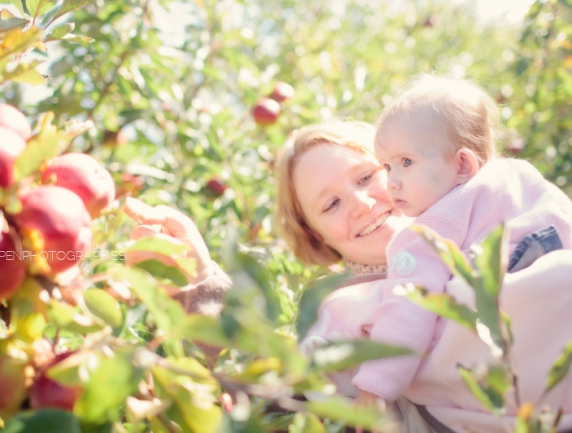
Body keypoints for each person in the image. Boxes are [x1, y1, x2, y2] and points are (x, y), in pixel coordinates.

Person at [122, 115, 572, 432]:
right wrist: (200, 281)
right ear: (318, 239)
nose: (359, 203)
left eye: (366, 176)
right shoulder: (343, 313)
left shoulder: (501, 210)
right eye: (331, 204)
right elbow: (274, 388)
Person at [333, 75, 572, 406]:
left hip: (510, 350)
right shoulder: (524, 176)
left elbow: (408, 309)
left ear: (463, 164)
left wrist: (375, 387)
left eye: (406, 162)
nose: (393, 182)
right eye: (387, 166)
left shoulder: (428, 231)